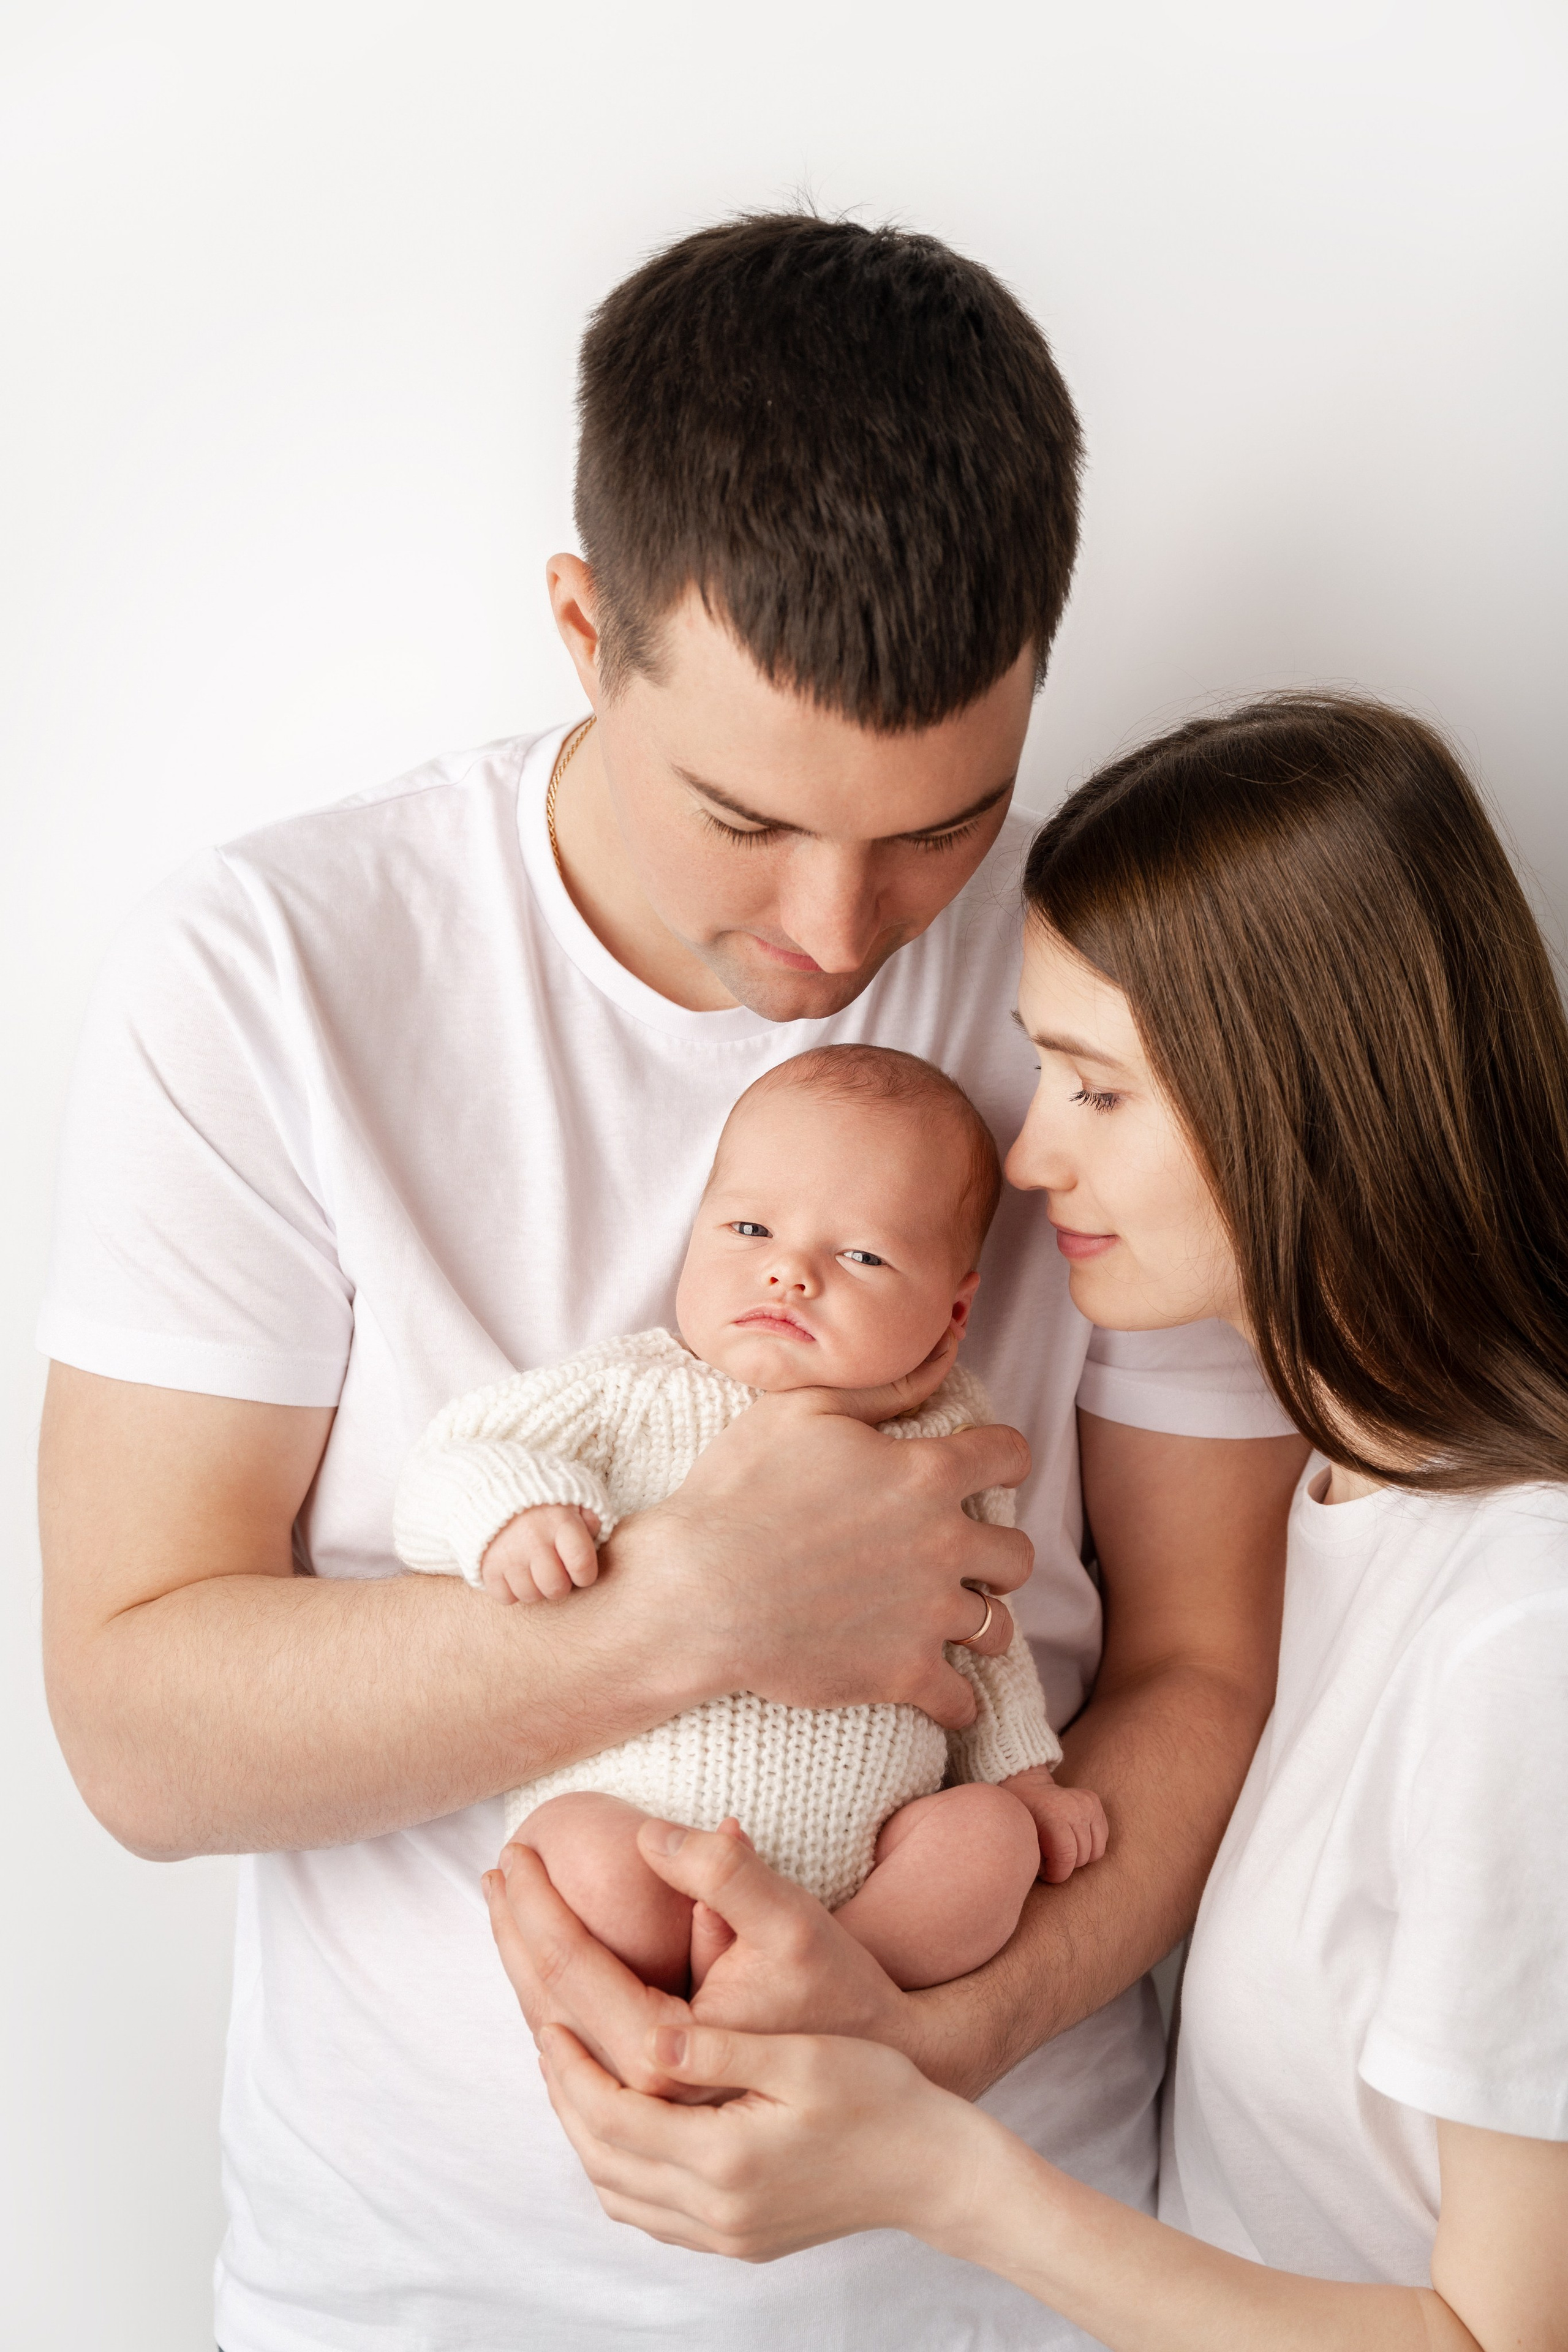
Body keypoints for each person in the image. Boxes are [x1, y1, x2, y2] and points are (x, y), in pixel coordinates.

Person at [36, 215, 1303, 2350]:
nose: (835, 932)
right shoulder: (268, 981)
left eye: (937, 828)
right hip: (417, 2304)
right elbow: (139, 1732)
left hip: (1001, 2278)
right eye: (747, 819)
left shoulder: (1115, 995)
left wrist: (939, 2046)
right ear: (580, 627)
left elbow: (1206, 1671)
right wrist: (692, 1616)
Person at [507, 695, 1568, 2350]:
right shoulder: (1344, 1506)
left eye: (1091, 1090)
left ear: (1300, 1096)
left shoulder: (1525, 1631)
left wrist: (934, 2170)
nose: (1021, 1156)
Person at [394, 1044, 1106, 1997]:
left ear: (952, 1313)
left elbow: (984, 1635)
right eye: (748, 1227)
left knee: (988, 1845)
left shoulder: (947, 1440)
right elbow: (447, 1462)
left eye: (861, 1255)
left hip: (864, 1873)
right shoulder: (630, 1390)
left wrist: (1021, 1776)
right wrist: (511, 1512)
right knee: (573, 1850)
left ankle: (831, 1980)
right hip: (641, 1834)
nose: (789, 1274)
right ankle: (690, 1973)